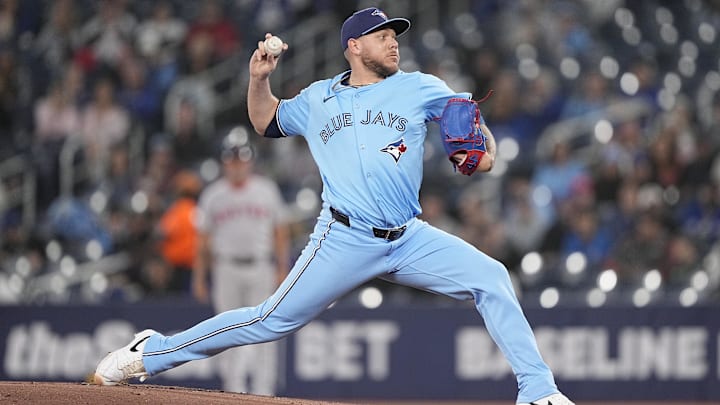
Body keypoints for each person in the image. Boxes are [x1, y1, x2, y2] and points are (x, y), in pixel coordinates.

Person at [94, 7, 573, 405]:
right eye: (381, 36)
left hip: (408, 236)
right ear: (354, 46)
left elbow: (475, 132)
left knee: (491, 277)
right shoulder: (319, 98)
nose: (393, 44)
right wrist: (258, 80)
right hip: (342, 237)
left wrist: (480, 147)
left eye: (394, 36)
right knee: (267, 320)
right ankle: (151, 352)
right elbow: (264, 122)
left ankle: (538, 391)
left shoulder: (419, 86)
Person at [191, 129, 290, 395]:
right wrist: (199, 277)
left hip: (260, 266)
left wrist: (282, 268)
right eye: (231, 159)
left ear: (250, 160)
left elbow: (280, 232)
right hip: (226, 268)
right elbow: (202, 241)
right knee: (226, 330)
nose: (236, 164)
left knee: (265, 330)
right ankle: (233, 392)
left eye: (241, 159)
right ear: (224, 161)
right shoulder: (213, 195)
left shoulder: (266, 190)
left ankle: (263, 393)